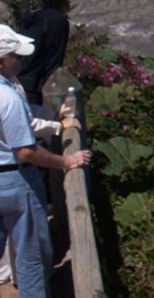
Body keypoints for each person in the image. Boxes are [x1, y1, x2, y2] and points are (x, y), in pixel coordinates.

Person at [0, 25, 91, 297]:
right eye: (17, 55)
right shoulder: (8, 98)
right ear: (2, 61)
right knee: (32, 255)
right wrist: (67, 161)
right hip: (14, 180)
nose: (22, 60)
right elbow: (26, 151)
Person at [17, 0, 73, 106]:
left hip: (19, 79)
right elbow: (54, 60)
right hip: (35, 86)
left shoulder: (32, 17)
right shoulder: (58, 21)